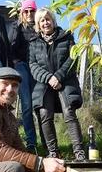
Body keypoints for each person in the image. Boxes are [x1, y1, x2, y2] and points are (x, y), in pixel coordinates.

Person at [29, 8, 85, 161]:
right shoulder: (34, 43)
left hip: (65, 81)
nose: (45, 23)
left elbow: (72, 58)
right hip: (44, 84)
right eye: (42, 20)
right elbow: (33, 65)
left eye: (48, 19)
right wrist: (49, 78)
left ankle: (79, 152)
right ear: (38, 24)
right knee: (44, 115)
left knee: (69, 113)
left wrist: (59, 77)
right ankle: (53, 152)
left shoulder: (66, 37)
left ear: (53, 21)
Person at [11, 0, 41, 152]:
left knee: (41, 105)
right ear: (22, 13)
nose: (29, 13)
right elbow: (10, 47)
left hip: (38, 68)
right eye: (26, 11)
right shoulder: (17, 28)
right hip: (22, 65)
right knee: (27, 105)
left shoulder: (39, 28)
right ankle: (31, 142)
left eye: (32, 11)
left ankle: (47, 141)